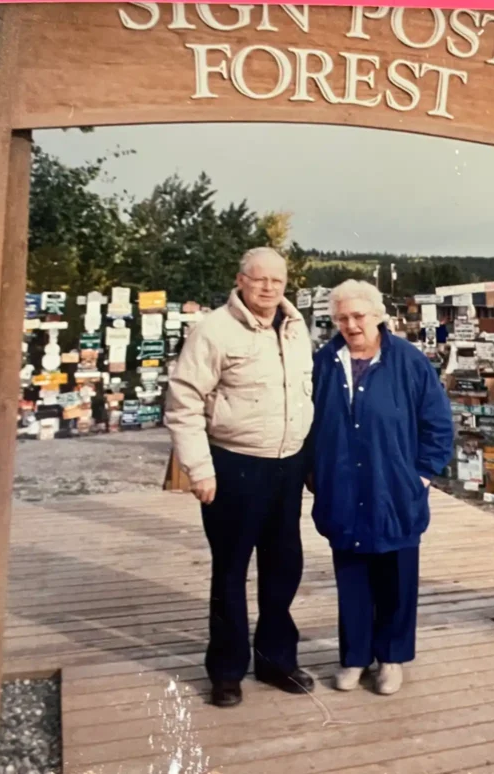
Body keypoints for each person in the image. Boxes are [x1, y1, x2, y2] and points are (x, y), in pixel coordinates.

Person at [164, 246, 315, 708]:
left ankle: (276, 661)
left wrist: (311, 464)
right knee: (231, 571)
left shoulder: (296, 327)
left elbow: (305, 396)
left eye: (277, 280)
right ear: (240, 280)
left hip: (287, 465)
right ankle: (227, 671)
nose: (268, 287)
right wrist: (199, 469)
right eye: (259, 278)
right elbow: (183, 401)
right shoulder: (214, 330)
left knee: (283, 566)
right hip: (234, 466)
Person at [305, 280, 455, 695]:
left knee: (396, 576)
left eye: (358, 316)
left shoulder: (408, 361)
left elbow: (438, 424)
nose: (351, 325)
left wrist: (420, 475)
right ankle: (355, 657)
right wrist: (313, 473)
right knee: (352, 577)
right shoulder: (324, 362)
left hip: (395, 488)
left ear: (377, 315)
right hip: (342, 487)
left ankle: (391, 658)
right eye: (342, 318)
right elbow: (306, 421)